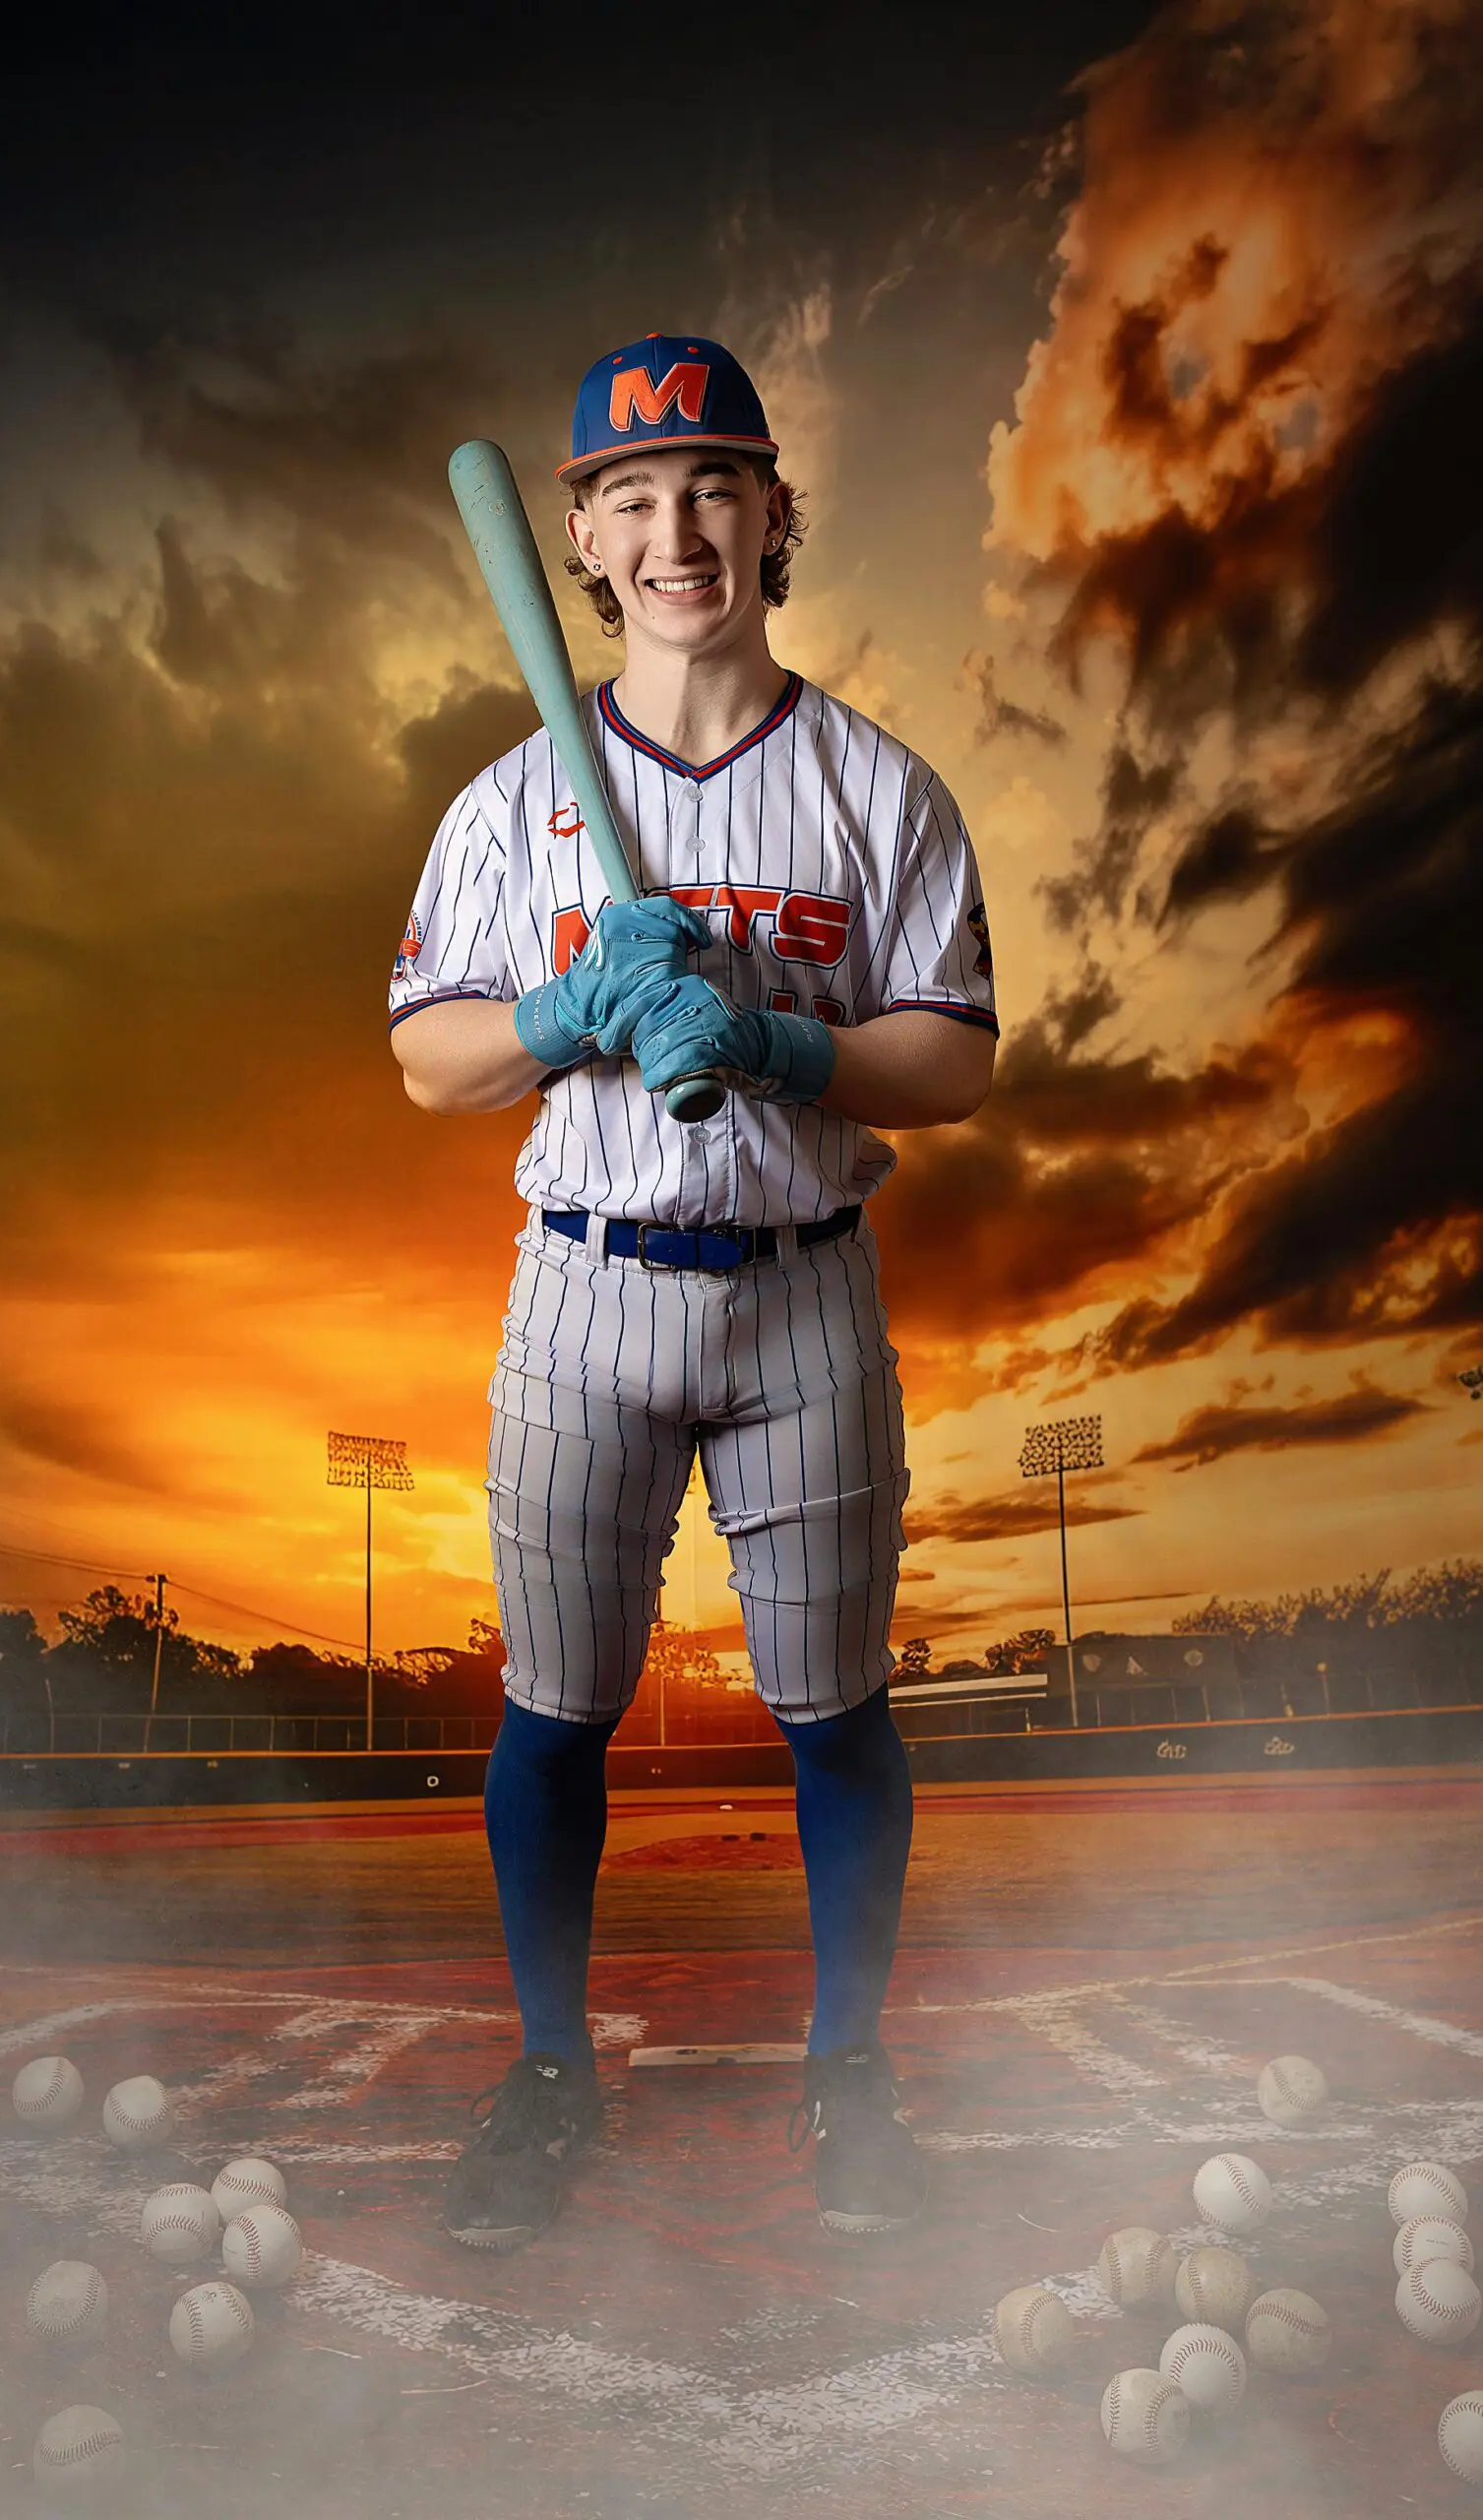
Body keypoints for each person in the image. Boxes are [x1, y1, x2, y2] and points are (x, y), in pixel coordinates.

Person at [389, 333, 997, 2250]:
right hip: (580, 1289)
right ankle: (550, 2064)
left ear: (771, 516)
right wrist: (572, 1005)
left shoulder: (873, 788)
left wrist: (773, 1037)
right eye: (636, 498)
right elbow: (430, 1057)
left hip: (802, 1288)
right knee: (556, 1708)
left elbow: (956, 1056)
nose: (678, 529)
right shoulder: (507, 807)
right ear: (581, 536)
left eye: (714, 486)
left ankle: (851, 2074)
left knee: (833, 1708)